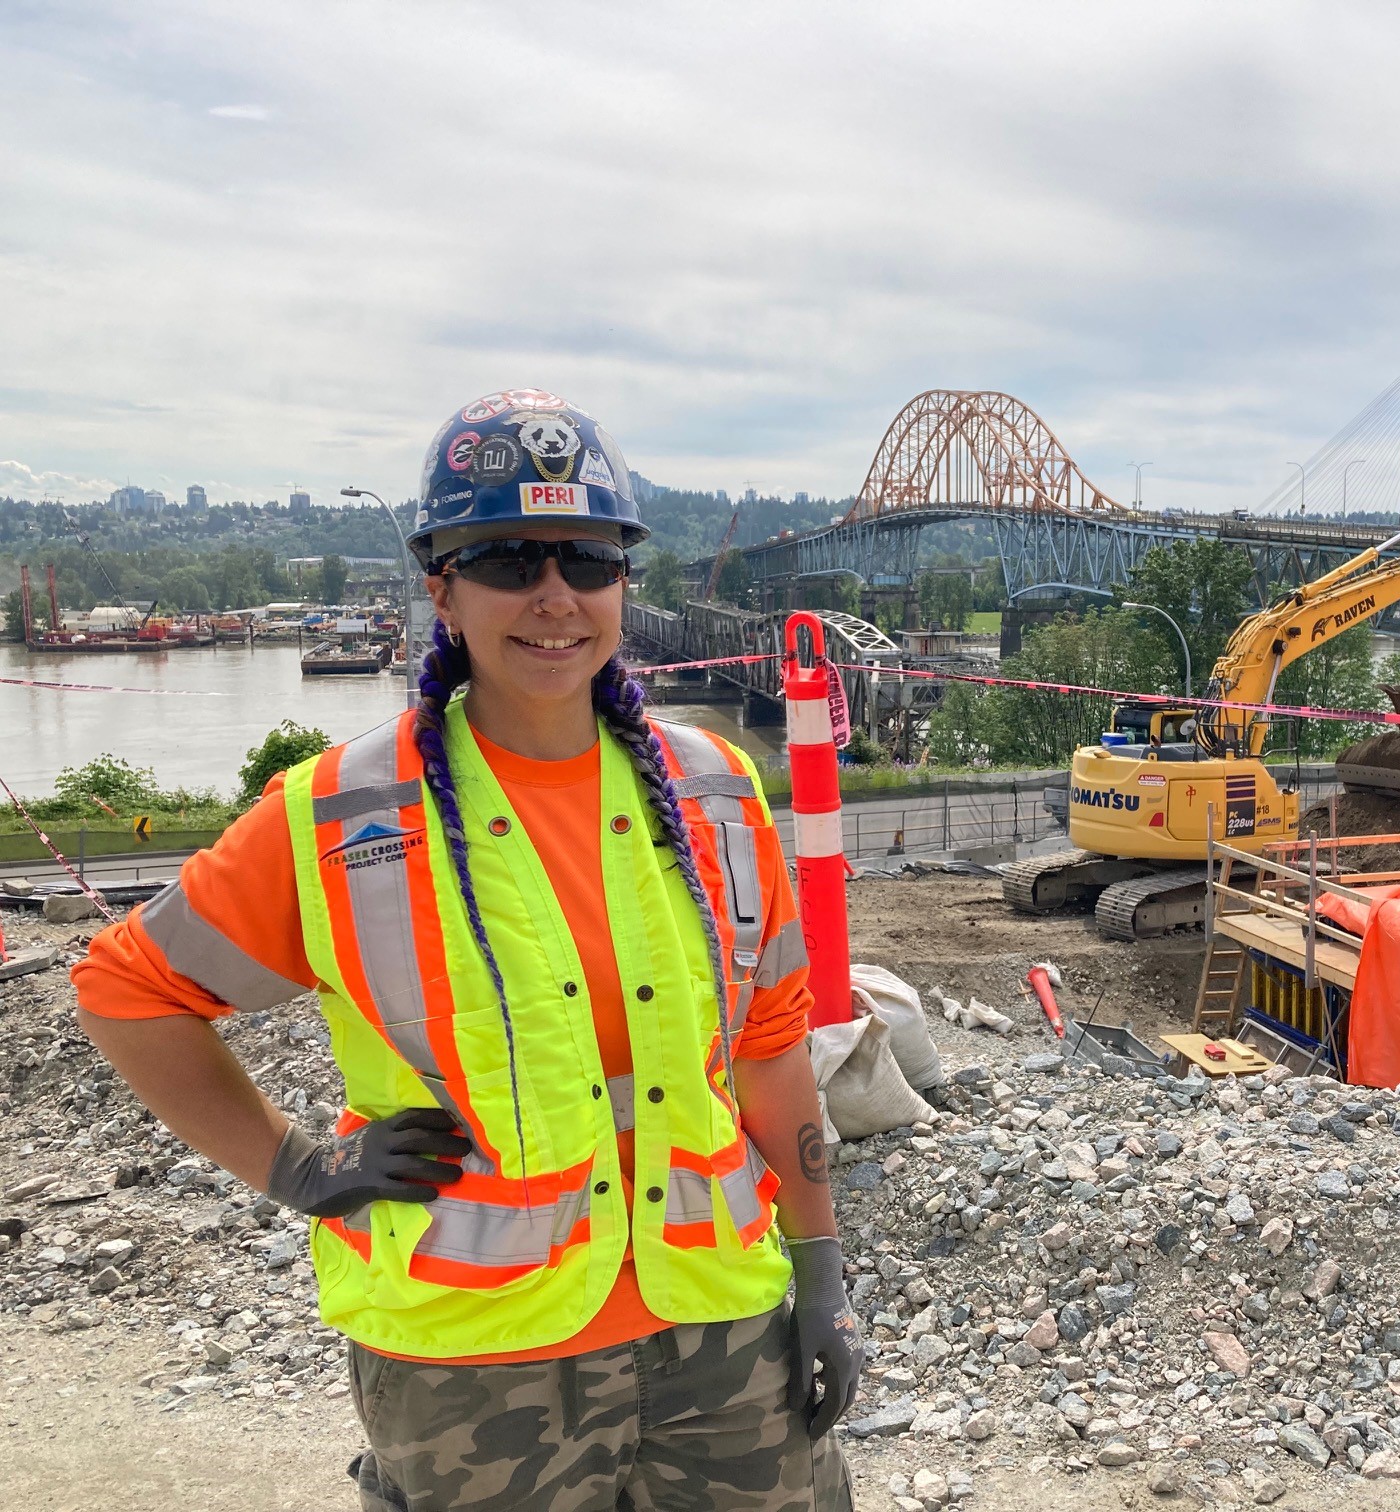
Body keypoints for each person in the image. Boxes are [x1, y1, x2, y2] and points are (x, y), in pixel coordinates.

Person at [73, 390, 860, 1511]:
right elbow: (125, 991)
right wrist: (298, 1166)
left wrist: (821, 1271)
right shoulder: (346, 815)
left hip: (720, 1328)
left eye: (588, 561)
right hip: (471, 1361)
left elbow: (772, 1050)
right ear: (441, 585)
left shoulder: (715, 794)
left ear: (624, 582)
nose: (554, 597)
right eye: (507, 558)